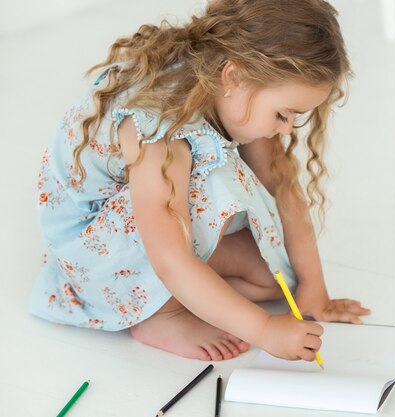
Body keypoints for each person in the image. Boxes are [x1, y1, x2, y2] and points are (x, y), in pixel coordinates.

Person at [31, 0, 371, 362]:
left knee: (274, 278)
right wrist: (264, 330)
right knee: (211, 186)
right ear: (233, 76)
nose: (286, 128)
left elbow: (281, 184)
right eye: (283, 114)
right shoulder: (160, 129)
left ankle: (186, 294)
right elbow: (170, 259)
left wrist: (314, 289)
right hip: (92, 254)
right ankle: (161, 316)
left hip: (141, 229)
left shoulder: (237, 86)